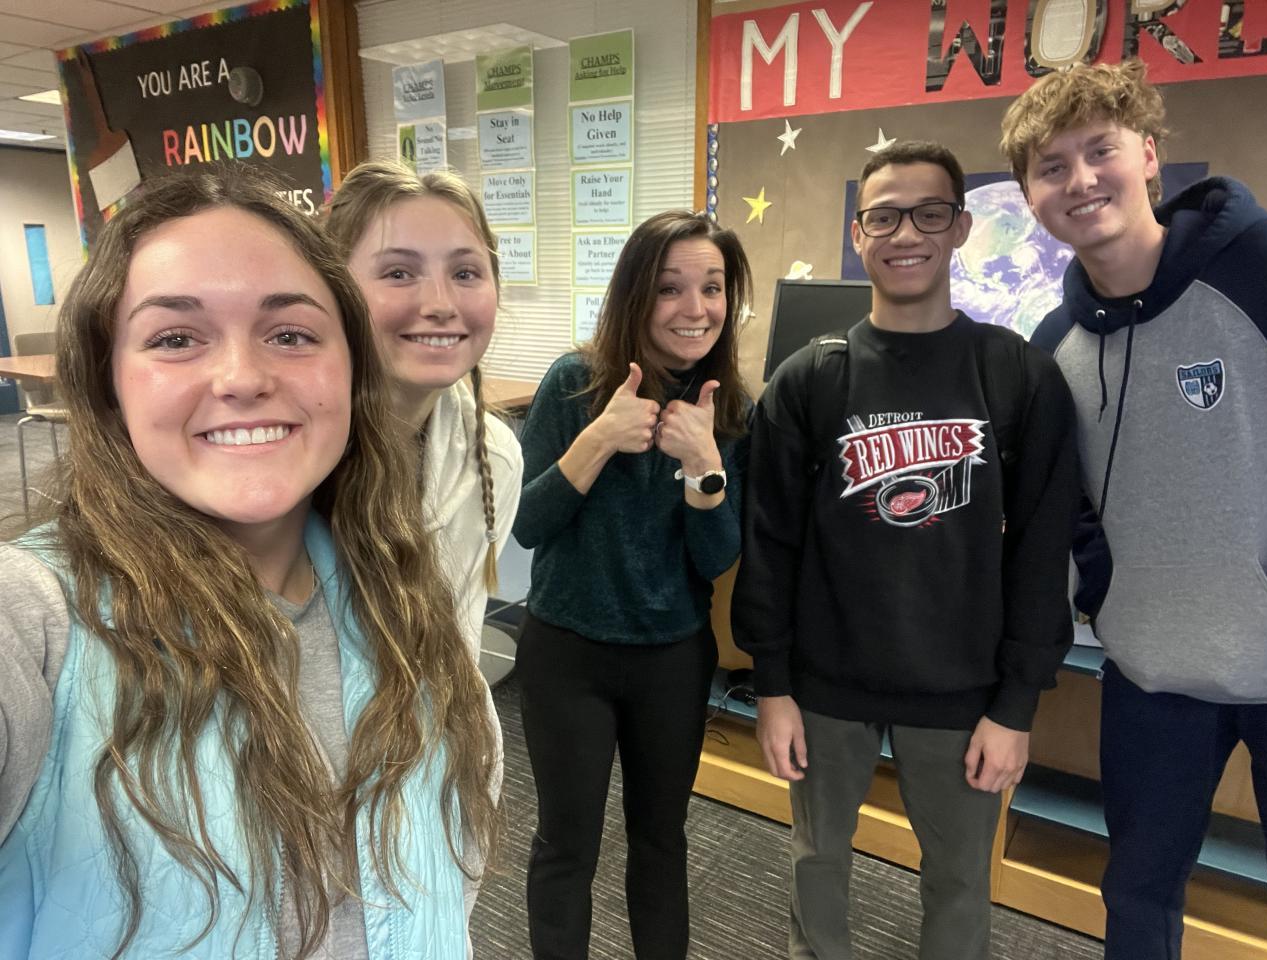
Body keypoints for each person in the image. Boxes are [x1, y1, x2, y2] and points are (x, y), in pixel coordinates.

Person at [0, 168, 499, 960]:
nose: (242, 378)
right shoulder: (36, 619)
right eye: (175, 338)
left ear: (352, 371)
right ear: (108, 382)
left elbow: (446, 884)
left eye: (290, 334)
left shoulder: (398, 596)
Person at [733, 140, 1077, 960]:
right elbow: (770, 544)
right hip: (826, 684)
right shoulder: (810, 379)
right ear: (859, 234)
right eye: (884, 217)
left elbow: (1042, 552)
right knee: (817, 862)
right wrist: (772, 686)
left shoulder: (1017, 375)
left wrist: (1016, 706)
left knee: (959, 880)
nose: (906, 234)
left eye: (928, 213)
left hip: (964, 689)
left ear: (960, 227)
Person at [1001, 60, 1267, 958]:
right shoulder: (1056, 343)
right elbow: (1067, 500)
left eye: (1101, 151)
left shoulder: (1263, 271)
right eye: (1052, 167)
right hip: (1153, 677)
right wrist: (1105, 583)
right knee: (1136, 897)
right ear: (1031, 197)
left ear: (1150, 154)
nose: (1080, 180)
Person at [513, 210, 752, 960]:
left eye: (712, 287)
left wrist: (703, 466)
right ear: (635, 295)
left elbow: (717, 560)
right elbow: (527, 525)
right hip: (568, 654)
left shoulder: (728, 404)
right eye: (670, 288)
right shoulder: (573, 382)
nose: (695, 308)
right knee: (566, 845)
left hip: (672, 659)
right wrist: (598, 439)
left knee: (660, 841)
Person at [325, 158, 522, 662]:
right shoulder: (284, 459)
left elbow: (460, 646)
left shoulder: (493, 458)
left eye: (465, 273)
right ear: (333, 291)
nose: (440, 303)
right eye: (398, 273)